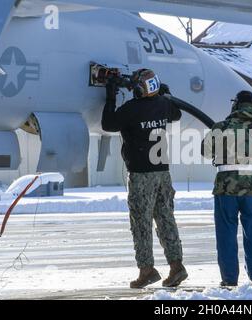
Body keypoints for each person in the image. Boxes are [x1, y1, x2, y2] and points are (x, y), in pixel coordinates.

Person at [101, 68, 188, 288]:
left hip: (141, 174)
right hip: (163, 173)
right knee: (166, 219)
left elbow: (108, 124)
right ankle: (177, 266)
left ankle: (146, 270)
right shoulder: (164, 105)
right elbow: (177, 113)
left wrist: (110, 95)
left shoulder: (132, 109)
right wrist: (164, 95)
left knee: (141, 223)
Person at [201, 90, 252, 286]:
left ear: (235, 105)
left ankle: (229, 280)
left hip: (225, 191)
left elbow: (205, 151)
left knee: (226, 236)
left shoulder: (220, 128)